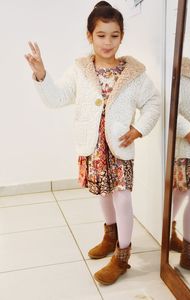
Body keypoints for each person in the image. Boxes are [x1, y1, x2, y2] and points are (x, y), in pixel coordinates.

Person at [25, 1, 160, 284]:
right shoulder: (81, 70)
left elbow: (153, 102)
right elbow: (57, 98)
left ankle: (122, 257)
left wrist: (138, 129)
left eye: (114, 35)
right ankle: (110, 235)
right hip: (94, 146)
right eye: (101, 35)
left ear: (122, 36)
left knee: (122, 196)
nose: (107, 42)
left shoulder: (134, 74)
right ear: (90, 36)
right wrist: (41, 73)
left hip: (119, 147)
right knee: (104, 194)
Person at [171, 7, 190, 272]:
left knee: (181, 194)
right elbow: (172, 105)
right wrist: (186, 129)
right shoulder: (185, 72)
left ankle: (170, 230)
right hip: (189, 149)